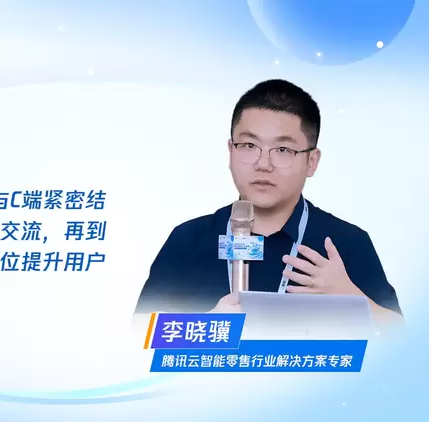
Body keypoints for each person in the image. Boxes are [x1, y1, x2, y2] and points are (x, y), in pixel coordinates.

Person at [133, 79, 403, 328]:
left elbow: (401, 338)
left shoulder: (345, 243)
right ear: (231, 151)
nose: (263, 164)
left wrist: (352, 300)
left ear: (311, 162)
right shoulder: (188, 240)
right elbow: (136, 339)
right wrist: (207, 328)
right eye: (249, 146)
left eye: (283, 150)